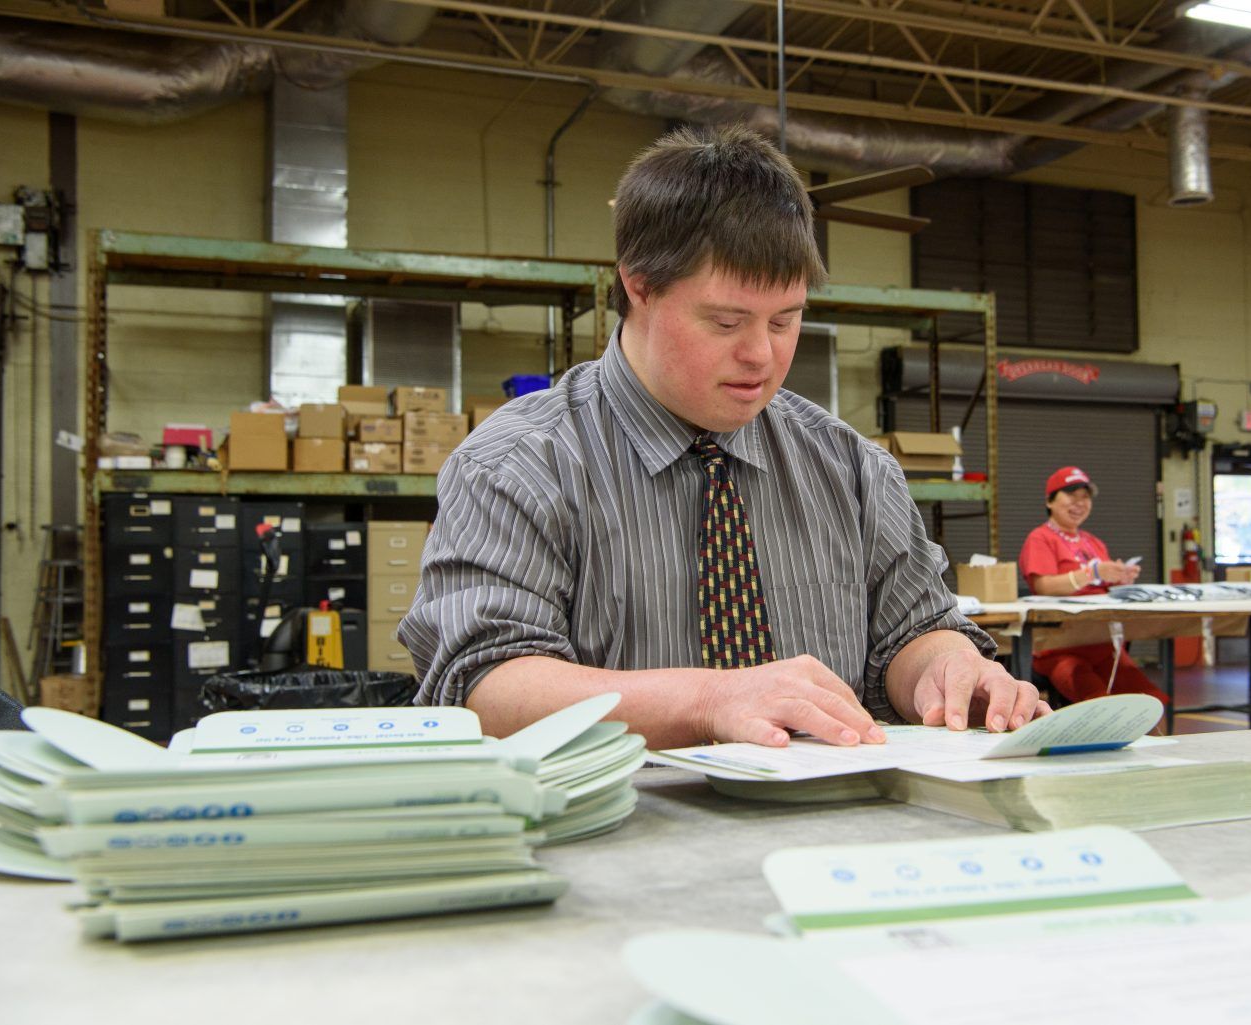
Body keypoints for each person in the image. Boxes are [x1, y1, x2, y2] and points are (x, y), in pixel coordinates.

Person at [400, 124, 1047, 749]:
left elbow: (914, 629)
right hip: (614, 838)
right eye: (726, 320)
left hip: (829, 836)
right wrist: (712, 701)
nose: (762, 355)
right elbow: (482, 688)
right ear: (639, 285)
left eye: (786, 320)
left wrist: (949, 669)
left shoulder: (850, 467)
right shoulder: (520, 464)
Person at [1018, 466, 1169, 708]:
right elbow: (1043, 585)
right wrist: (1091, 573)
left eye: (1085, 497)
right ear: (1049, 500)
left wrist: (1121, 579)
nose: (1079, 503)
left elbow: (1104, 588)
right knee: (1100, 705)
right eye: (1071, 496)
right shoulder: (1040, 538)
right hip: (1060, 647)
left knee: (1150, 702)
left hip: (1103, 645)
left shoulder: (1093, 542)